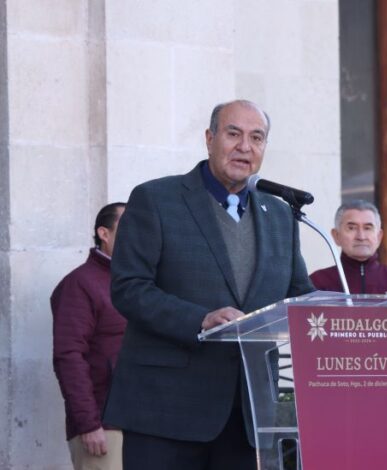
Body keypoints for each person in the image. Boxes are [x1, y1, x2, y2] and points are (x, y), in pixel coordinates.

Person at [103, 100, 314, 470]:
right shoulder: (156, 199)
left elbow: (298, 295)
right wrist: (199, 319)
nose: (244, 147)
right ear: (209, 138)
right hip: (166, 412)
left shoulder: (280, 214)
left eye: (256, 137)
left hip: (248, 414)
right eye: (233, 134)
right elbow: (129, 287)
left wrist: (344, 314)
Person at [51, 202, 126, 470]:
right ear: (104, 234)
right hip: (104, 427)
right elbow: (68, 356)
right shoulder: (80, 283)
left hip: (145, 423)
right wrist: (88, 423)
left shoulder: (140, 284)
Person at [309, 199, 387, 294]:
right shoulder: (318, 282)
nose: (361, 237)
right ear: (336, 236)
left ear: (379, 236)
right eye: (351, 228)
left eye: (367, 228)